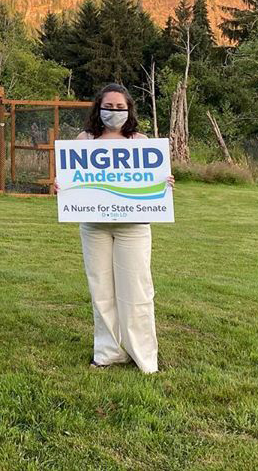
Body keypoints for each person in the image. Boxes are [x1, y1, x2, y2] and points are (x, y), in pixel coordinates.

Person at [60, 83, 173, 374]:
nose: (114, 112)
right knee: (101, 290)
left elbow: (153, 179)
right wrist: (62, 187)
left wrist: (164, 183)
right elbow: (73, 180)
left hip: (133, 227)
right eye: (108, 107)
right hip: (94, 226)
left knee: (137, 291)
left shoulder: (140, 140)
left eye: (120, 107)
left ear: (129, 109)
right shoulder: (84, 139)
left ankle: (144, 356)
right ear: (98, 108)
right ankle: (108, 352)